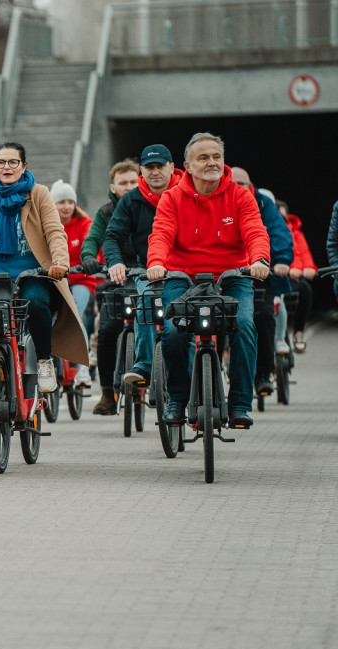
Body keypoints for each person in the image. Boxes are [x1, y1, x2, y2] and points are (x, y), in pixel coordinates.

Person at [146, 132, 271, 429]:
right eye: (203, 158)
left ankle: (240, 404)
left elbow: (255, 230)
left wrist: (259, 260)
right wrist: (156, 263)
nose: (212, 162)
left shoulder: (240, 196)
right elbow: (161, 233)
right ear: (188, 166)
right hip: (183, 277)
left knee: (245, 326)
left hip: (231, 276)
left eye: (216, 157)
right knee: (173, 332)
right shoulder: (172, 198)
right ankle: (178, 399)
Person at [0, 141, 89, 396]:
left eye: (13, 162)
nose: (7, 167)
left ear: (24, 166)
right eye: (1, 162)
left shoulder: (38, 194)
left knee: (36, 304)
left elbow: (54, 231)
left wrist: (60, 262)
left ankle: (44, 360)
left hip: (32, 274)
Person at [102, 143, 184, 392]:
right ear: (142, 170)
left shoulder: (187, 193)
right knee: (146, 301)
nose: (155, 171)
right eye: (149, 167)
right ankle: (144, 366)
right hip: (147, 269)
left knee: (184, 321)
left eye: (160, 166)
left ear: (172, 167)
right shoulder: (131, 200)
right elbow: (112, 236)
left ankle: (196, 371)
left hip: (185, 269)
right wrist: (115, 262)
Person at [79, 159, 140, 414]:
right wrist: (88, 257)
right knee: (106, 332)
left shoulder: (153, 206)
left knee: (162, 328)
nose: (129, 187)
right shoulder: (105, 213)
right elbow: (92, 239)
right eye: (123, 183)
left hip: (148, 276)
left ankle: (162, 381)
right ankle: (107, 394)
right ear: (113, 188)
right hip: (115, 278)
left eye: (133, 182)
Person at [230, 168, 293, 395]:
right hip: (226, 274)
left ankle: (263, 374)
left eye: (242, 184)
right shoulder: (217, 200)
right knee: (215, 321)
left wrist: (280, 261)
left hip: (260, 273)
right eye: (234, 183)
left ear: (250, 185)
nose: (238, 188)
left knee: (265, 317)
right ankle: (212, 372)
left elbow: (278, 232)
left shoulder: (264, 204)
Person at [50, 179, 96, 388]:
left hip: (80, 279)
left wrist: (89, 260)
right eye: (61, 202)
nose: (66, 206)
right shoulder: (47, 223)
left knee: (75, 314)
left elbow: (90, 244)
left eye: (70, 202)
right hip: (54, 279)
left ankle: (83, 368)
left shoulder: (84, 223)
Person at [276, 199, 315, 352]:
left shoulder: (296, 234)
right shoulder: (266, 230)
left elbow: (304, 254)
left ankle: (299, 331)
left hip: (292, 277)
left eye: (283, 217)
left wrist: (308, 268)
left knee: (306, 290)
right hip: (272, 276)